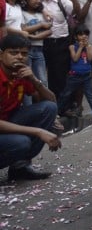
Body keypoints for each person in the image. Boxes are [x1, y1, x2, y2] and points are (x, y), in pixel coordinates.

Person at [0, 34, 61, 180]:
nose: (20, 57)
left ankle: (19, 167)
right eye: (13, 53)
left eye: (24, 53)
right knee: (22, 143)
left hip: (8, 122)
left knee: (49, 108)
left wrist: (34, 79)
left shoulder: (20, 74)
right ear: (1, 55)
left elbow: (52, 101)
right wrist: (38, 131)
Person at [37, 0, 80, 106]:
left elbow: (76, 13)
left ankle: (61, 106)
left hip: (60, 43)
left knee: (59, 75)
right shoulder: (36, 2)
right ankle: (45, 104)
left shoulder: (63, 1)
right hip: (41, 43)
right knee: (41, 76)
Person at [58, 27, 92, 128]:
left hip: (87, 76)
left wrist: (88, 47)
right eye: (80, 34)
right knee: (66, 94)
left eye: (85, 34)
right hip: (74, 76)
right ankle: (57, 112)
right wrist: (80, 47)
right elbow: (75, 58)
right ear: (76, 37)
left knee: (91, 96)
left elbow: (90, 58)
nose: (84, 36)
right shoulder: (72, 47)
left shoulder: (90, 46)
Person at [18, 0, 51, 93]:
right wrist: (41, 24)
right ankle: (28, 107)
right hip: (26, 51)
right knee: (27, 80)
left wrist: (33, 37)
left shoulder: (41, 14)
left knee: (43, 80)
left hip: (39, 50)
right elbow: (23, 29)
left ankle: (46, 105)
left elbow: (49, 31)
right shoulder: (22, 13)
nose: (38, 1)